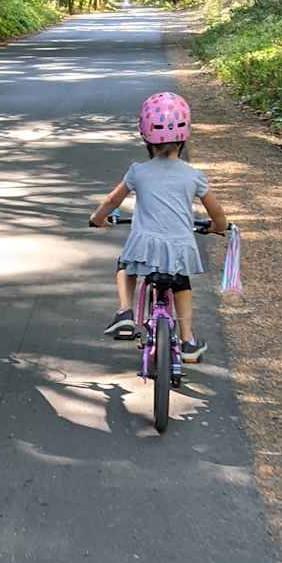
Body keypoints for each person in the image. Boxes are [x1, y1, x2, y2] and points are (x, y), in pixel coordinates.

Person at [88, 92, 227, 363]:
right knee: (181, 283)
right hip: (180, 247)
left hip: (145, 244)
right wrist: (217, 227)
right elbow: (217, 212)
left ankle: (125, 312)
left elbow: (112, 200)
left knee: (125, 265)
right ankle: (187, 340)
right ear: (184, 137)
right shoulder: (194, 176)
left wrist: (98, 219)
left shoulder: (137, 172)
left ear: (144, 136)